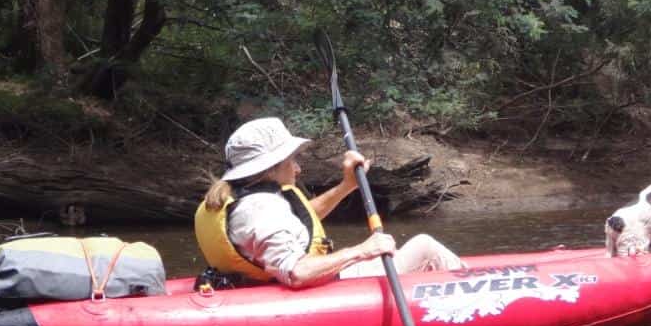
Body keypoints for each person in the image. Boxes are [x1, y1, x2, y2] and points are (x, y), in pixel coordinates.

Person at [195, 117, 462, 288]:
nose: (298, 169)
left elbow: (298, 221)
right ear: (270, 167)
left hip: (258, 287)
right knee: (425, 247)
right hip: (312, 290)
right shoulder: (262, 209)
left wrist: (347, 186)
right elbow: (297, 272)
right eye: (291, 160)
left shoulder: (244, 198)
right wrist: (363, 250)